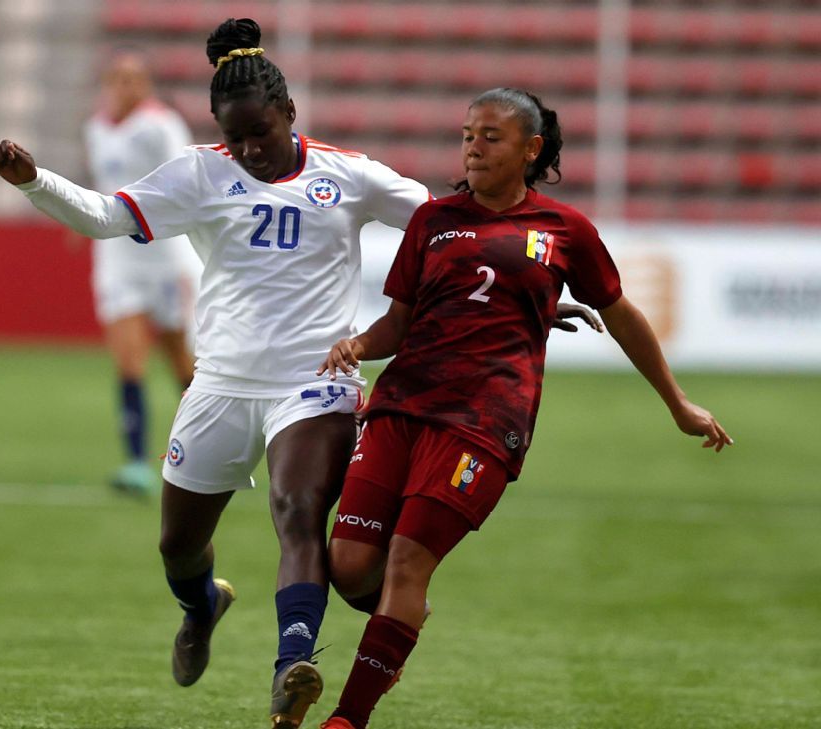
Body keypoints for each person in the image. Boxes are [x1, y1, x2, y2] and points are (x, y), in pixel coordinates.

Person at [0, 18, 432, 728]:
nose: (251, 149)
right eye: (237, 137)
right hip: (221, 382)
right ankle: (202, 605)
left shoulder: (347, 175)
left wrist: (526, 280)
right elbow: (107, 216)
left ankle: (293, 665)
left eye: (262, 131)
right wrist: (33, 180)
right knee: (178, 544)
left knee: (297, 510)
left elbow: (441, 224)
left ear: (290, 113)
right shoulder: (200, 171)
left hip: (314, 380)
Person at [314, 88, 733, 729]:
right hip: (402, 404)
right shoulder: (432, 220)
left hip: (484, 424)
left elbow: (622, 314)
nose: (473, 147)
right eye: (467, 134)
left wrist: (677, 403)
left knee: (405, 561)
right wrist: (358, 345)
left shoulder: (566, 230)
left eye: (490, 136)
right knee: (348, 566)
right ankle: (398, 629)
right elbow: (398, 321)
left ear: (531, 149)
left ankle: (347, 718)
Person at [82, 50, 202, 496]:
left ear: (146, 85)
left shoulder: (161, 124)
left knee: (183, 364)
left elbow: (185, 176)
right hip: (117, 261)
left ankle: (205, 450)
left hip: (166, 259)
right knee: (128, 361)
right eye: (117, 78)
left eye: (133, 79)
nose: (124, 87)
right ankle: (136, 463)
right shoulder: (95, 127)